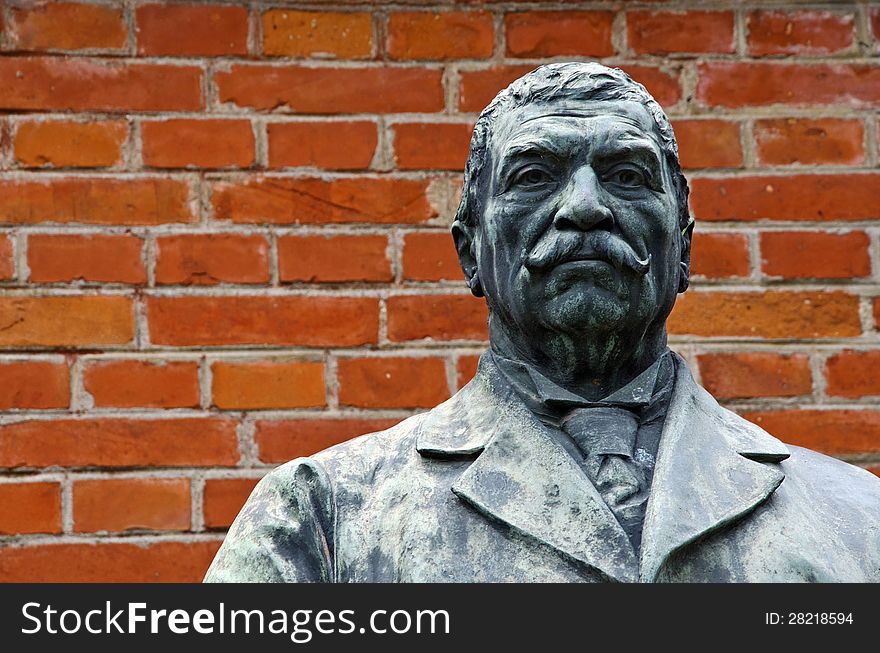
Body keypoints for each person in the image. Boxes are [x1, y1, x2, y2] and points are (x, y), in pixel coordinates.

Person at [205, 62, 880, 583]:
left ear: (685, 250)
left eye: (624, 174)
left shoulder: (857, 520)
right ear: (470, 251)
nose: (584, 207)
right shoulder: (325, 517)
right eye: (533, 175)